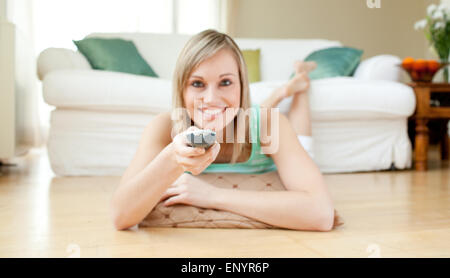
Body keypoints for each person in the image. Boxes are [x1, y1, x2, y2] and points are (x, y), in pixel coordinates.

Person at [111, 29, 335, 231]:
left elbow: (321, 214)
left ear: (242, 85)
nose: (211, 98)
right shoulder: (163, 127)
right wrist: (172, 156)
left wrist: (212, 195)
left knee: (300, 134)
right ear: (182, 90)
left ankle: (299, 82)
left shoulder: (271, 125)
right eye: (197, 84)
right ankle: (284, 89)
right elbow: (120, 217)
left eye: (225, 82)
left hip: (256, 122)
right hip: (243, 114)